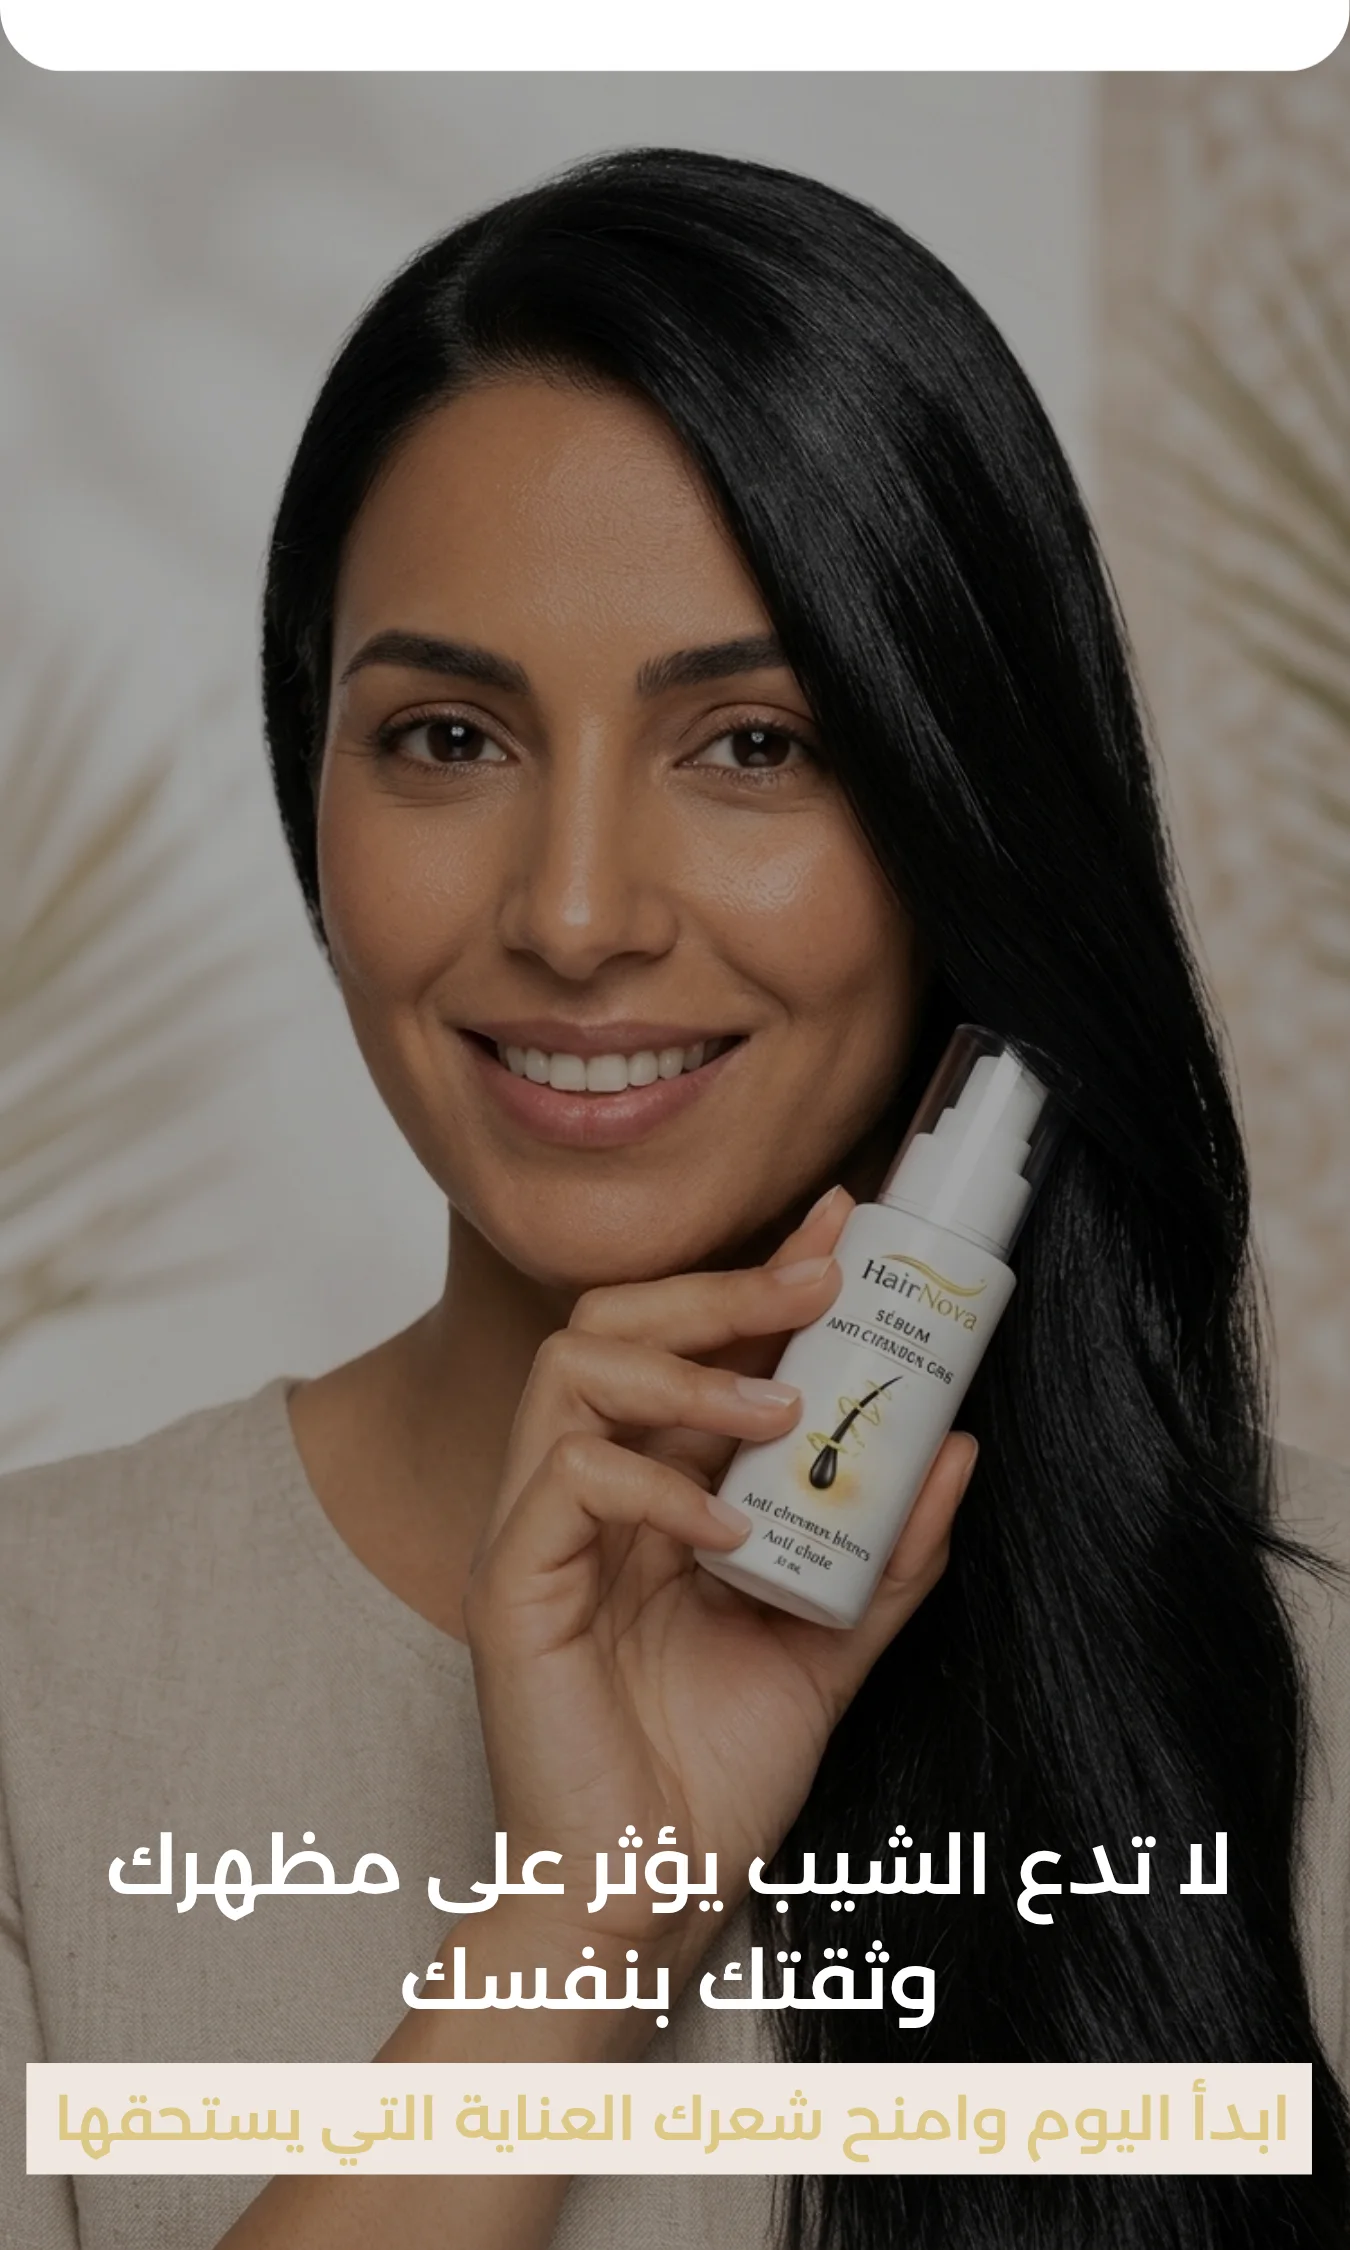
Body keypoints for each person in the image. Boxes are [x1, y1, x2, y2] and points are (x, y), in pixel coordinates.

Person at [1, 145, 1347, 2250]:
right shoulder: (37, 1668)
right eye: (448, 738)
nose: (573, 913)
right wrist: (580, 1925)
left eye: (754, 746)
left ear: (966, 815)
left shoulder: (1294, 1667)